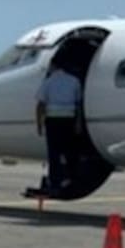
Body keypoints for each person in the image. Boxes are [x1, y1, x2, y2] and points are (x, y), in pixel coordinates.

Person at [35, 56, 83, 194]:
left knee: (54, 153)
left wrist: (39, 125)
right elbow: (78, 104)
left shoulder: (48, 82)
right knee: (70, 151)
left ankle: (56, 181)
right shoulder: (74, 81)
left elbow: (40, 105)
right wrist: (78, 123)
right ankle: (72, 178)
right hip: (69, 120)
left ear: (53, 66)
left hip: (53, 121)